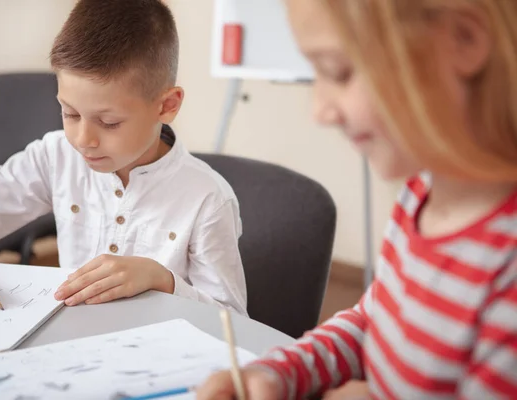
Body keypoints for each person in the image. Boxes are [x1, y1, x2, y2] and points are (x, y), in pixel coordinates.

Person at [197, 0, 517, 398]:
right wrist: (279, 372)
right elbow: (374, 321)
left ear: (464, 40)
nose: (320, 111)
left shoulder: (507, 267)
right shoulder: (420, 195)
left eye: (339, 73)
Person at [0, 0, 247, 316]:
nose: (82, 139)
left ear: (167, 106)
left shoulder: (207, 199)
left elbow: (232, 320)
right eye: (70, 113)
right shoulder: (56, 156)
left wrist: (164, 280)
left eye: (109, 122)